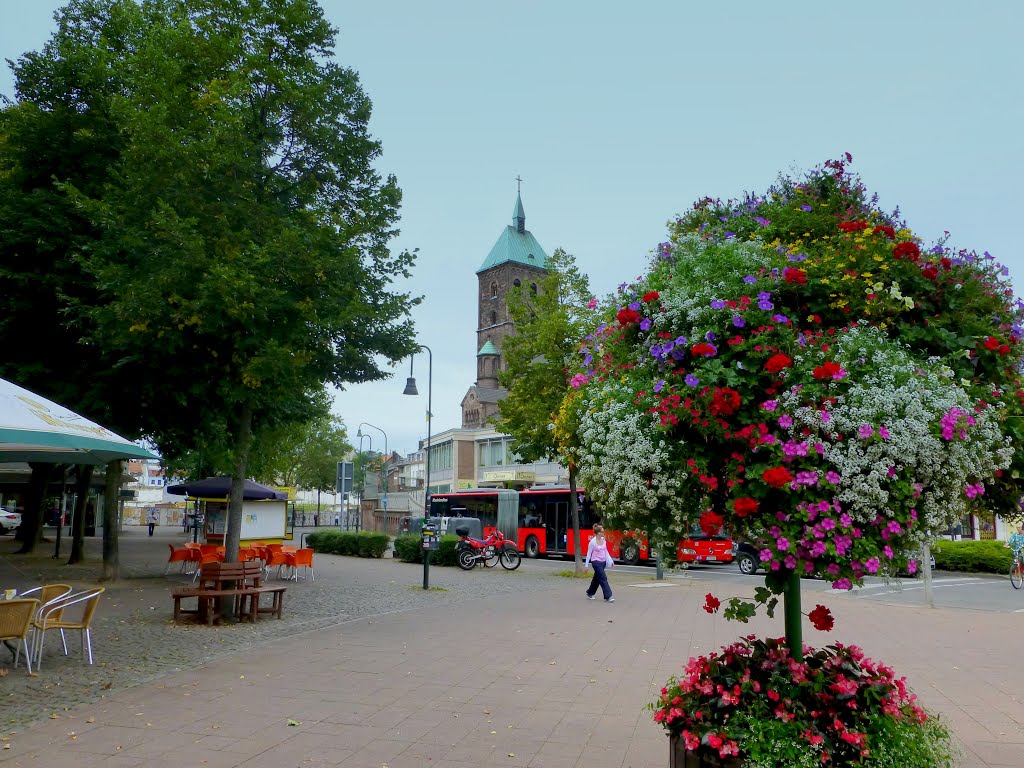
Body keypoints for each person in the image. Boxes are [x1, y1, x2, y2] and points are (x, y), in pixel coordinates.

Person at [583, 522, 614, 602]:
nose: (604, 533)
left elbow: (606, 551)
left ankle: (590, 593)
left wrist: (610, 560)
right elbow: (588, 554)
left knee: (597, 579)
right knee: (603, 578)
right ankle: (608, 596)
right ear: (598, 533)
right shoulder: (592, 542)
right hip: (596, 562)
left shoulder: (604, 540)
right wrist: (586, 566)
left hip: (603, 562)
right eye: (603, 532)